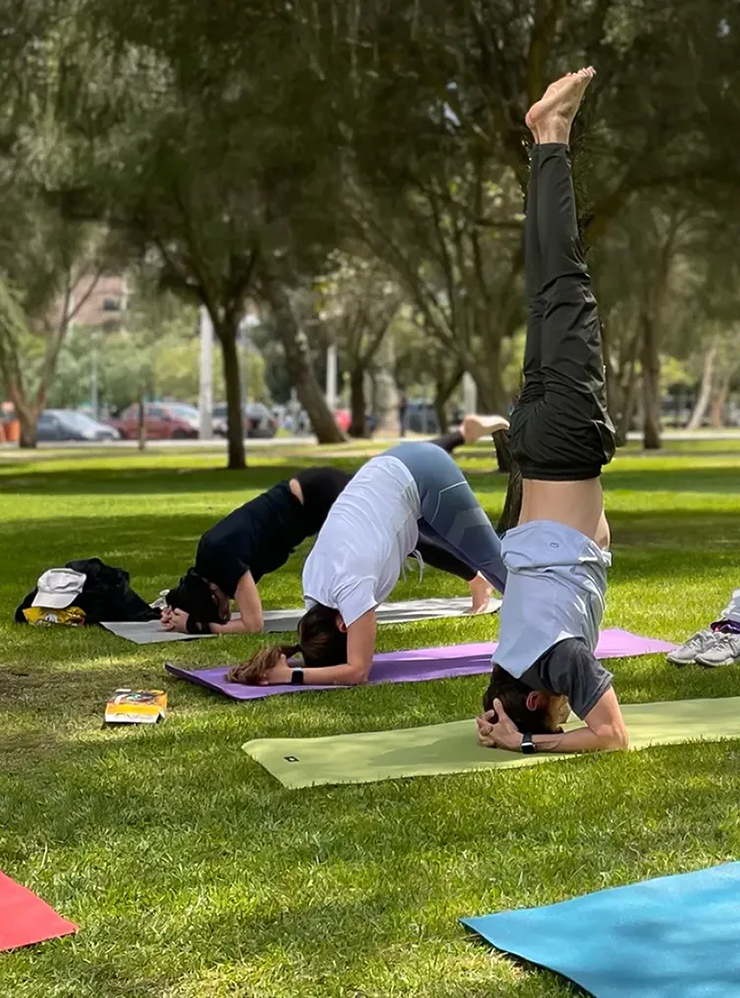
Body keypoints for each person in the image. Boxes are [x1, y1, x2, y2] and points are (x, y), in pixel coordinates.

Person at [475, 68, 629, 756]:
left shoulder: (559, 656)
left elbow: (612, 738)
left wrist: (527, 744)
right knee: (547, 289)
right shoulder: (513, 649)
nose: (569, 706)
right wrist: (497, 716)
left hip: (563, 444)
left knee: (565, 279)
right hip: (535, 447)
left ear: (539, 699)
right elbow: (507, 695)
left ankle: (553, 133)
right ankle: (544, 136)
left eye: (555, 711)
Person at [163, 415, 508, 635]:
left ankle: (477, 579)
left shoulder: (222, 560)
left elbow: (252, 625)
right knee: (407, 490)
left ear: (211, 592)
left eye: (220, 610)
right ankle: (462, 434)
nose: (227, 613)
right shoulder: (208, 560)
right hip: (310, 495)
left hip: (315, 497)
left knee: (410, 531)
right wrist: (171, 610)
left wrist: (197, 625)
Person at [227, 439, 507, 685]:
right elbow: (332, 661)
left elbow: (357, 671)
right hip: (393, 473)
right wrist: (284, 665)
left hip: (422, 473)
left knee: (498, 565)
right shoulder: (313, 591)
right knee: (474, 551)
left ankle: (546, 627)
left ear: (343, 626)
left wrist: (291, 676)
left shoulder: (352, 587)